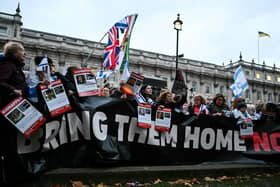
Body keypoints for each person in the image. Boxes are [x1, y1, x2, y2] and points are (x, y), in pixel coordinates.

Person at [0, 42, 28, 108]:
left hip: (15, 103)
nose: (25, 53)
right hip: (7, 105)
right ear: (14, 53)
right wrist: (13, 90)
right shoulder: (8, 65)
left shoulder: (16, 66)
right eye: (22, 50)